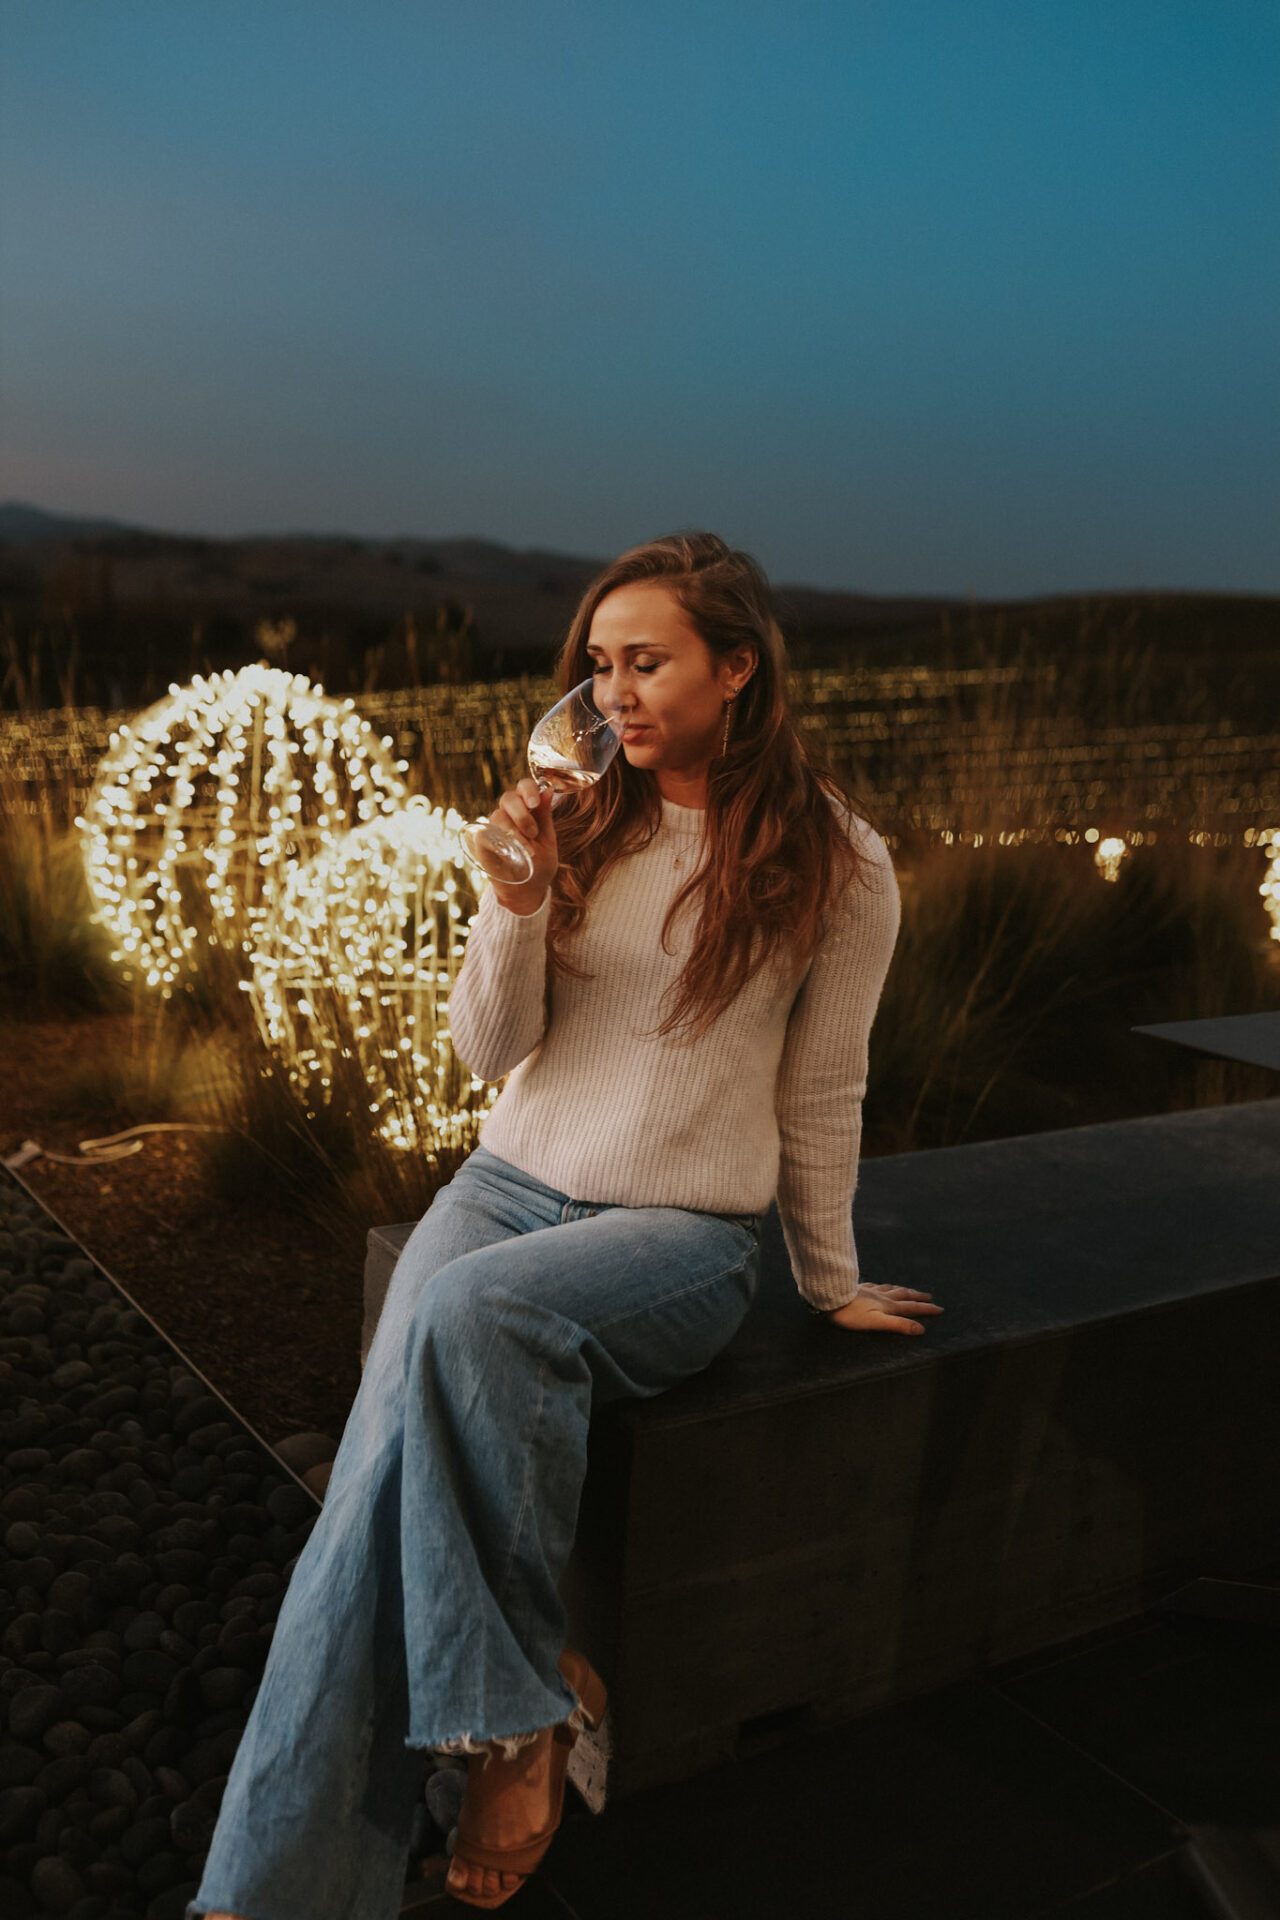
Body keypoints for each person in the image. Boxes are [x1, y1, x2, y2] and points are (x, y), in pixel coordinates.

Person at [190, 531, 941, 1920]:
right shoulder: (576, 818)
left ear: (739, 667)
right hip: (504, 1184)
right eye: (597, 668)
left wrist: (827, 1278)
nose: (615, 697)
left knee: (469, 1318)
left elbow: (827, 1085)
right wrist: (516, 903)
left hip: (680, 1231)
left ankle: (511, 1723)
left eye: (646, 662)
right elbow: (487, 1054)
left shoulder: (840, 859)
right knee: (365, 1491)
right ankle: (278, 1888)